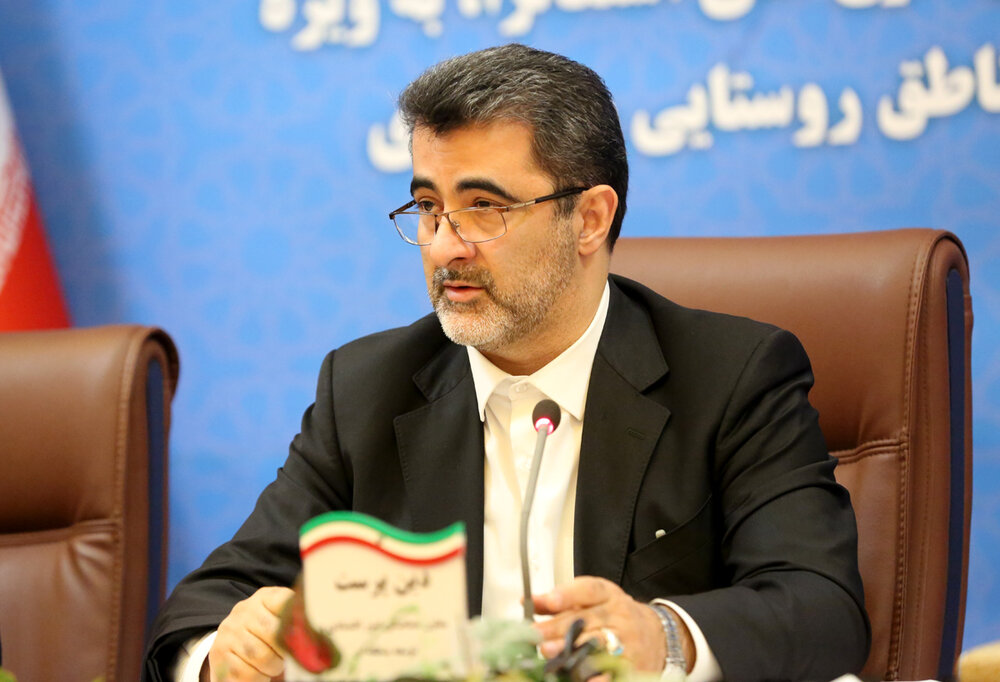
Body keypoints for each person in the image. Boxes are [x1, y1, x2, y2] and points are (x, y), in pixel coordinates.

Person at [143, 44, 869, 682]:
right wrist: (223, 653)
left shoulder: (733, 377)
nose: (444, 247)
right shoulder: (367, 389)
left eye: (483, 208)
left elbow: (821, 607)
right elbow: (208, 603)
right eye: (428, 208)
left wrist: (663, 637)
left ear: (590, 219)